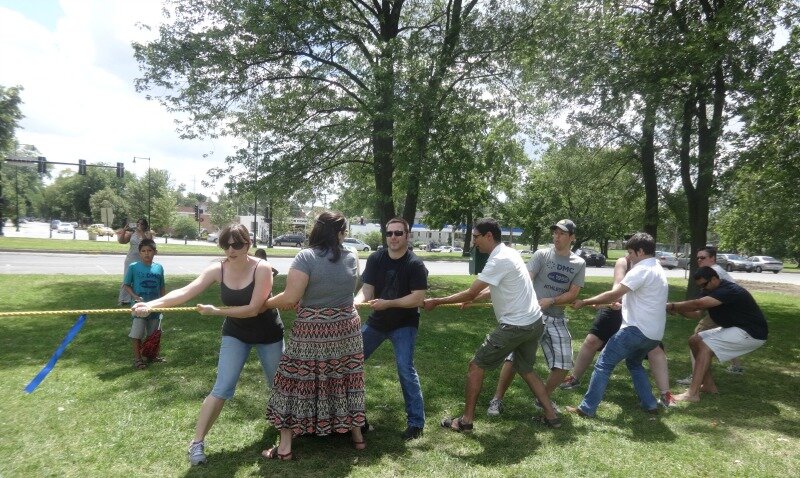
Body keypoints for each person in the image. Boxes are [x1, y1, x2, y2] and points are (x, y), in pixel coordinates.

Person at [132, 224, 283, 466]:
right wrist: (152, 305)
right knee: (222, 388)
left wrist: (216, 312)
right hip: (236, 333)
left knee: (278, 385)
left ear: (248, 245)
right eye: (226, 244)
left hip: (268, 334)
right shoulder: (218, 269)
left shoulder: (262, 268)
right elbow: (186, 291)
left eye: (237, 244)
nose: (231, 250)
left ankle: (285, 430)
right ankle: (197, 442)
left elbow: (254, 309)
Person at [423, 218, 560, 432]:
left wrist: (436, 301)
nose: (474, 242)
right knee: (526, 369)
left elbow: (471, 290)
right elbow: (489, 289)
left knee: (476, 366)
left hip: (515, 326)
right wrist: (473, 300)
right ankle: (551, 416)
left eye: (476, 237)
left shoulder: (499, 259)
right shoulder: (510, 253)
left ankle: (466, 421)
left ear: (489, 236)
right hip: (534, 322)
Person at [262, 211, 365, 461]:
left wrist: (265, 303)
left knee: (293, 380)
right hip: (346, 328)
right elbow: (351, 290)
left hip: (313, 330)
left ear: (317, 230)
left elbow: (290, 298)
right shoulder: (353, 256)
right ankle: (357, 438)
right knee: (344, 378)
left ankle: (285, 447)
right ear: (340, 232)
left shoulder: (306, 256)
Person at [486, 219, 585, 416]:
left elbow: (573, 293)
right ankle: (497, 399)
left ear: (572, 238)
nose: (556, 237)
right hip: (531, 316)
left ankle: (542, 399)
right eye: (555, 233)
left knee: (564, 363)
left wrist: (552, 300)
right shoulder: (542, 255)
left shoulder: (579, 263)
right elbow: (525, 279)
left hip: (556, 317)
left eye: (562, 233)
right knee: (514, 359)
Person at [566, 232, 668, 418]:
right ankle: (650, 404)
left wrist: (585, 301)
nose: (628, 257)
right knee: (635, 364)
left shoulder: (641, 269)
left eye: (630, 252)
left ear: (640, 251)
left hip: (635, 330)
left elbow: (615, 293)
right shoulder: (657, 268)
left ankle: (586, 409)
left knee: (603, 365)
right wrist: (618, 304)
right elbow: (642, 298)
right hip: (653, 335)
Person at [354, 217, 428, 440]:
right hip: (377, 323)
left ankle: (416, 422)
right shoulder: (376, 258)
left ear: (407, 236)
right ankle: (354, 418)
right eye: (389, 233)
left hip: (404, 324)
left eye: (398, 233)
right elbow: (367, 290)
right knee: (352, 362)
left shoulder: (415, 264)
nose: (393, 237)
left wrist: (388, 303)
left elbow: (417, 298)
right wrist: (355, 303)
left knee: (405, 369)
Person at [668, 266, 767, 403]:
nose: (703, 288)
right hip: (737, 329)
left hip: (752, 332)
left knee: (704, 345)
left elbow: (698, 304)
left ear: (714, 279)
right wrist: (677, 310)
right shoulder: (709, 290)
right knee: (694, 340)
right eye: (700, 286)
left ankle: (692, 394)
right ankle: (708, 385)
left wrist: (673, 306)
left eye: (704, 284)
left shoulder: (728, 290)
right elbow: (696, 313)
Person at [677, 246, 742, 385]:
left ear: (712, 258)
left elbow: (700, 307)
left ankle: (696, 376)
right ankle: (737, 367)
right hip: (730, 310)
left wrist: (678, 307)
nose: (699, 260)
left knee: (697, 337)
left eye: (703, 257)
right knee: (725, 334)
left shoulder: (714, 272)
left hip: (726, 310)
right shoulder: (716, 271)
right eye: (698, 258)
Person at [122, 238, 165, 370]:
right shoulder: (134, 267)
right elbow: (126, 285)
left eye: (149, 250)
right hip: (139, 307)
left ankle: (151, 356)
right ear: (139, 253)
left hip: (155, 307)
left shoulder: (159, 268)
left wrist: (164, 302)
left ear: (155, 252)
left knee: (153, 334)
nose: (146, 253)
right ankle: (138, 359)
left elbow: (162, 287)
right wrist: (135, 296)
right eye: (143, 251)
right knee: (137, 334)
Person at [117, 218, 154, 305]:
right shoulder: (132, 234)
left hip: (143, 259)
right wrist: (124, 230)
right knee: (127, 278)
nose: (139, 225)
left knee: (139, 279)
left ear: (145, 225)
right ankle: (123, 299)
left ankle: (138, 298)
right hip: (131, 258)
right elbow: (121, 241)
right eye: (138, 223)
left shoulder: (148, 234)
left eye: (141, 224)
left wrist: (141, 232)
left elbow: (147, 243)